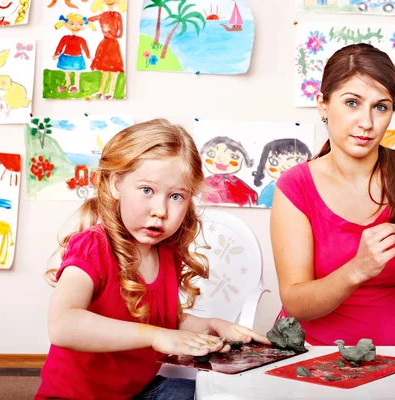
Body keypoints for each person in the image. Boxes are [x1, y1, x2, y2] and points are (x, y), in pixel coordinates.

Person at [35, 119, 269, 400]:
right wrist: (155, 336)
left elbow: (165, 321)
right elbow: (62, 325)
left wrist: (213, 325)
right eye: (147, 190)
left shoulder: (167, 252)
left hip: (138, 391)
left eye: (176, 196)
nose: (160, 210)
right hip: (75, 397)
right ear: (115, 184)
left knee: (215, 394)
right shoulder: (92, 246)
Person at [270, 44, 395, 349]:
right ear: (323, 104)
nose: (367, 123)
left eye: (380, 107)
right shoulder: (295, 186)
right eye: (352, 103)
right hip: (308, 359)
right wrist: (358, 268)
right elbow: (295, 303)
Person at [88, 0, 126, 99]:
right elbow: (89, 19)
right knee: (104, 71)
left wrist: (109, 31)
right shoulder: (102, 15)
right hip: (105, 44)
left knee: (114, 71)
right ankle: (100, 91)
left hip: (113, 45)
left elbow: (120, 34)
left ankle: (110, 92)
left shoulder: (118, 15)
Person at [53, 14, 96, 93]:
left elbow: (85, 48)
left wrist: (89, 56)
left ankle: (76, 86)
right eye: (72, 24)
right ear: (67, 24)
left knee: (77, 74)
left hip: (77, 58)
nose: (76, 26)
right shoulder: (65, 38)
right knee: (67, 73)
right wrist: (56, 54)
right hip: (67, 57)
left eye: (79, 24)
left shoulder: (81, 39)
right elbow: (60, 45)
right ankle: (66, 86)